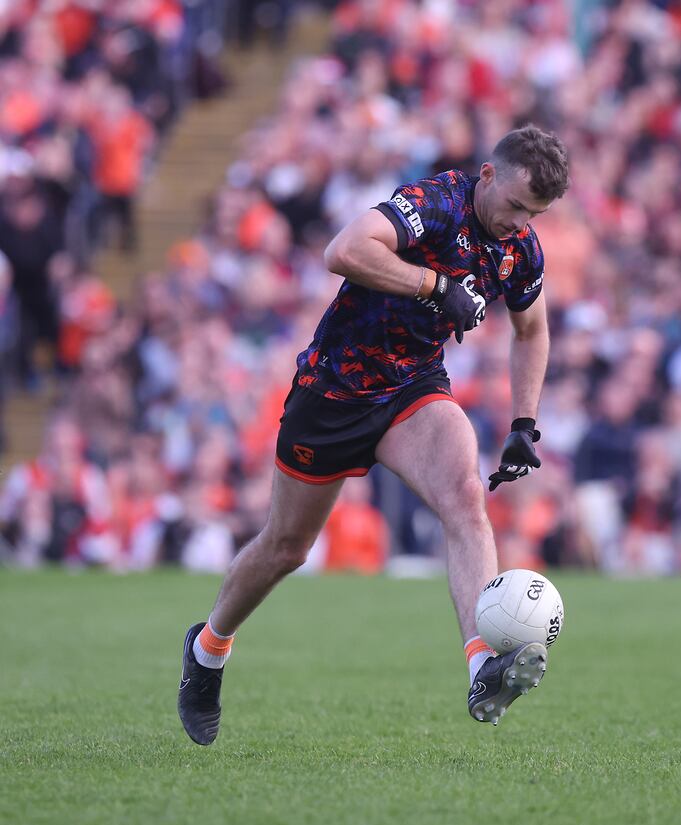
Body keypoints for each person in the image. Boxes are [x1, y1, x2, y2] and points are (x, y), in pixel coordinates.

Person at [178, 124, 569, 744]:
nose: (519, 222)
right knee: (285, 549)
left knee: (466, 499)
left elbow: (532, 331)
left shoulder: (521, 247)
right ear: (488, 176)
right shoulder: (436, 203)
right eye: (516, 205)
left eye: (535, 213)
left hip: (412, 388)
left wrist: (525, 421)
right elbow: (343, 251)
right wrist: (436, 286)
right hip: (332, 393)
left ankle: (481, 665)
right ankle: (207, 649)